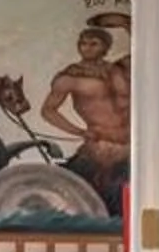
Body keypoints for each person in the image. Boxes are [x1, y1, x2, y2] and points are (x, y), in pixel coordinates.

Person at [41, 25, 132, 209]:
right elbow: (48, 110)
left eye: (93, 44)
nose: (87, 48)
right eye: (83, 43)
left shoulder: (117, 72)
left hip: (129, 145)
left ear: (105, 48)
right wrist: (80, 131)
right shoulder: (70, 77)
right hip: (99, 145)